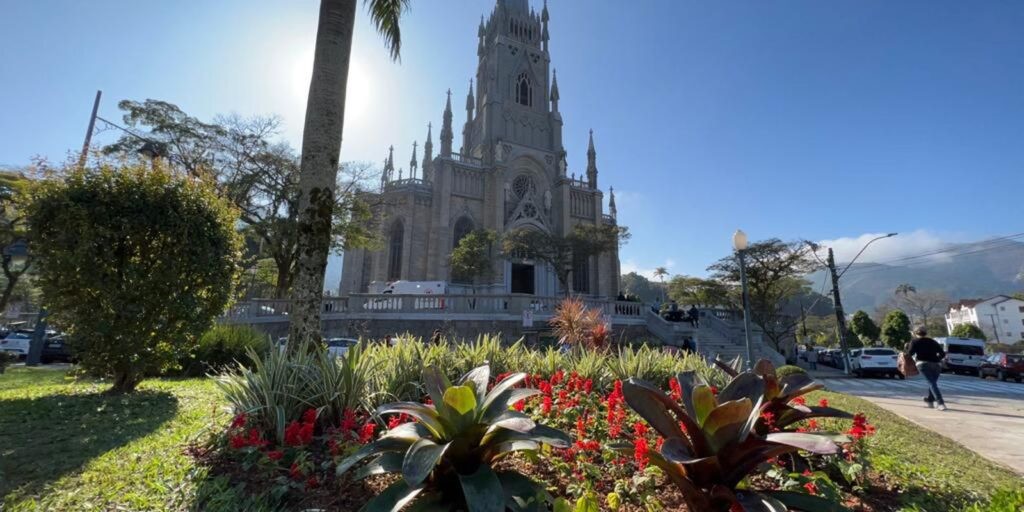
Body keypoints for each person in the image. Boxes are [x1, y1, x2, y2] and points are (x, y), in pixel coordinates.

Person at [906, 327, 947, 411]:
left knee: (931, 383)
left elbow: (910, 354)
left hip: (923, 364)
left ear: (916, 333)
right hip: (936, 365)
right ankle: (930, 400)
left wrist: (907, 349)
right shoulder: (933, 341)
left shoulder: (915, 341)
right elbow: (942, 353)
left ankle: (941, 403)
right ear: (925, 333)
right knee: (933, 383)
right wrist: (937, 359)